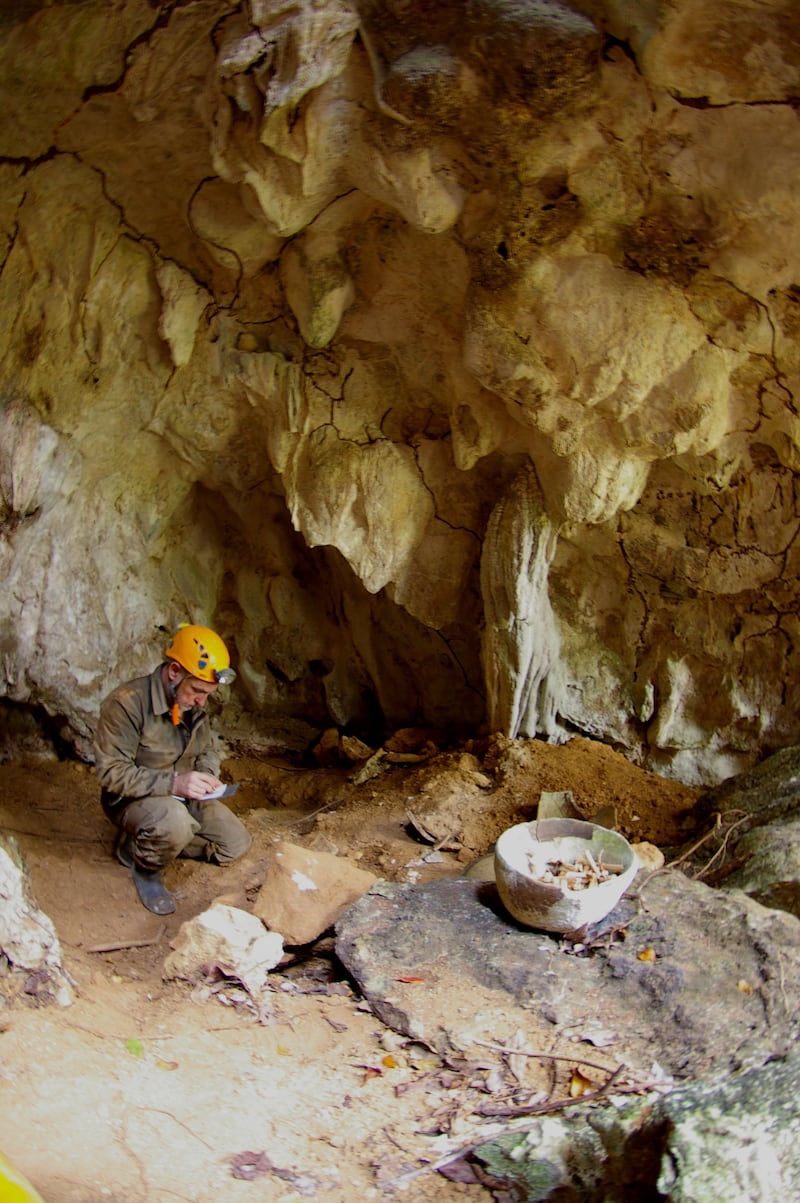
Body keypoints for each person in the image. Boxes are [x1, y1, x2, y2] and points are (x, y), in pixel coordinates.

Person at [94, 624, 251, 915]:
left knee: (235, 844)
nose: (202, 700)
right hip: (134, 798)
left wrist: (207, 773)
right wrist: (175, 783)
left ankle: (152, 841)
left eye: (208, 693)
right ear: (174, 671)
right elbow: (110, 774)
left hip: (182, 794)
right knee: (174, 823)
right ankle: (144, 867)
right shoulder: (126, 704)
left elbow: (206, 749)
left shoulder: (193, 702)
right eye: (198, 691)